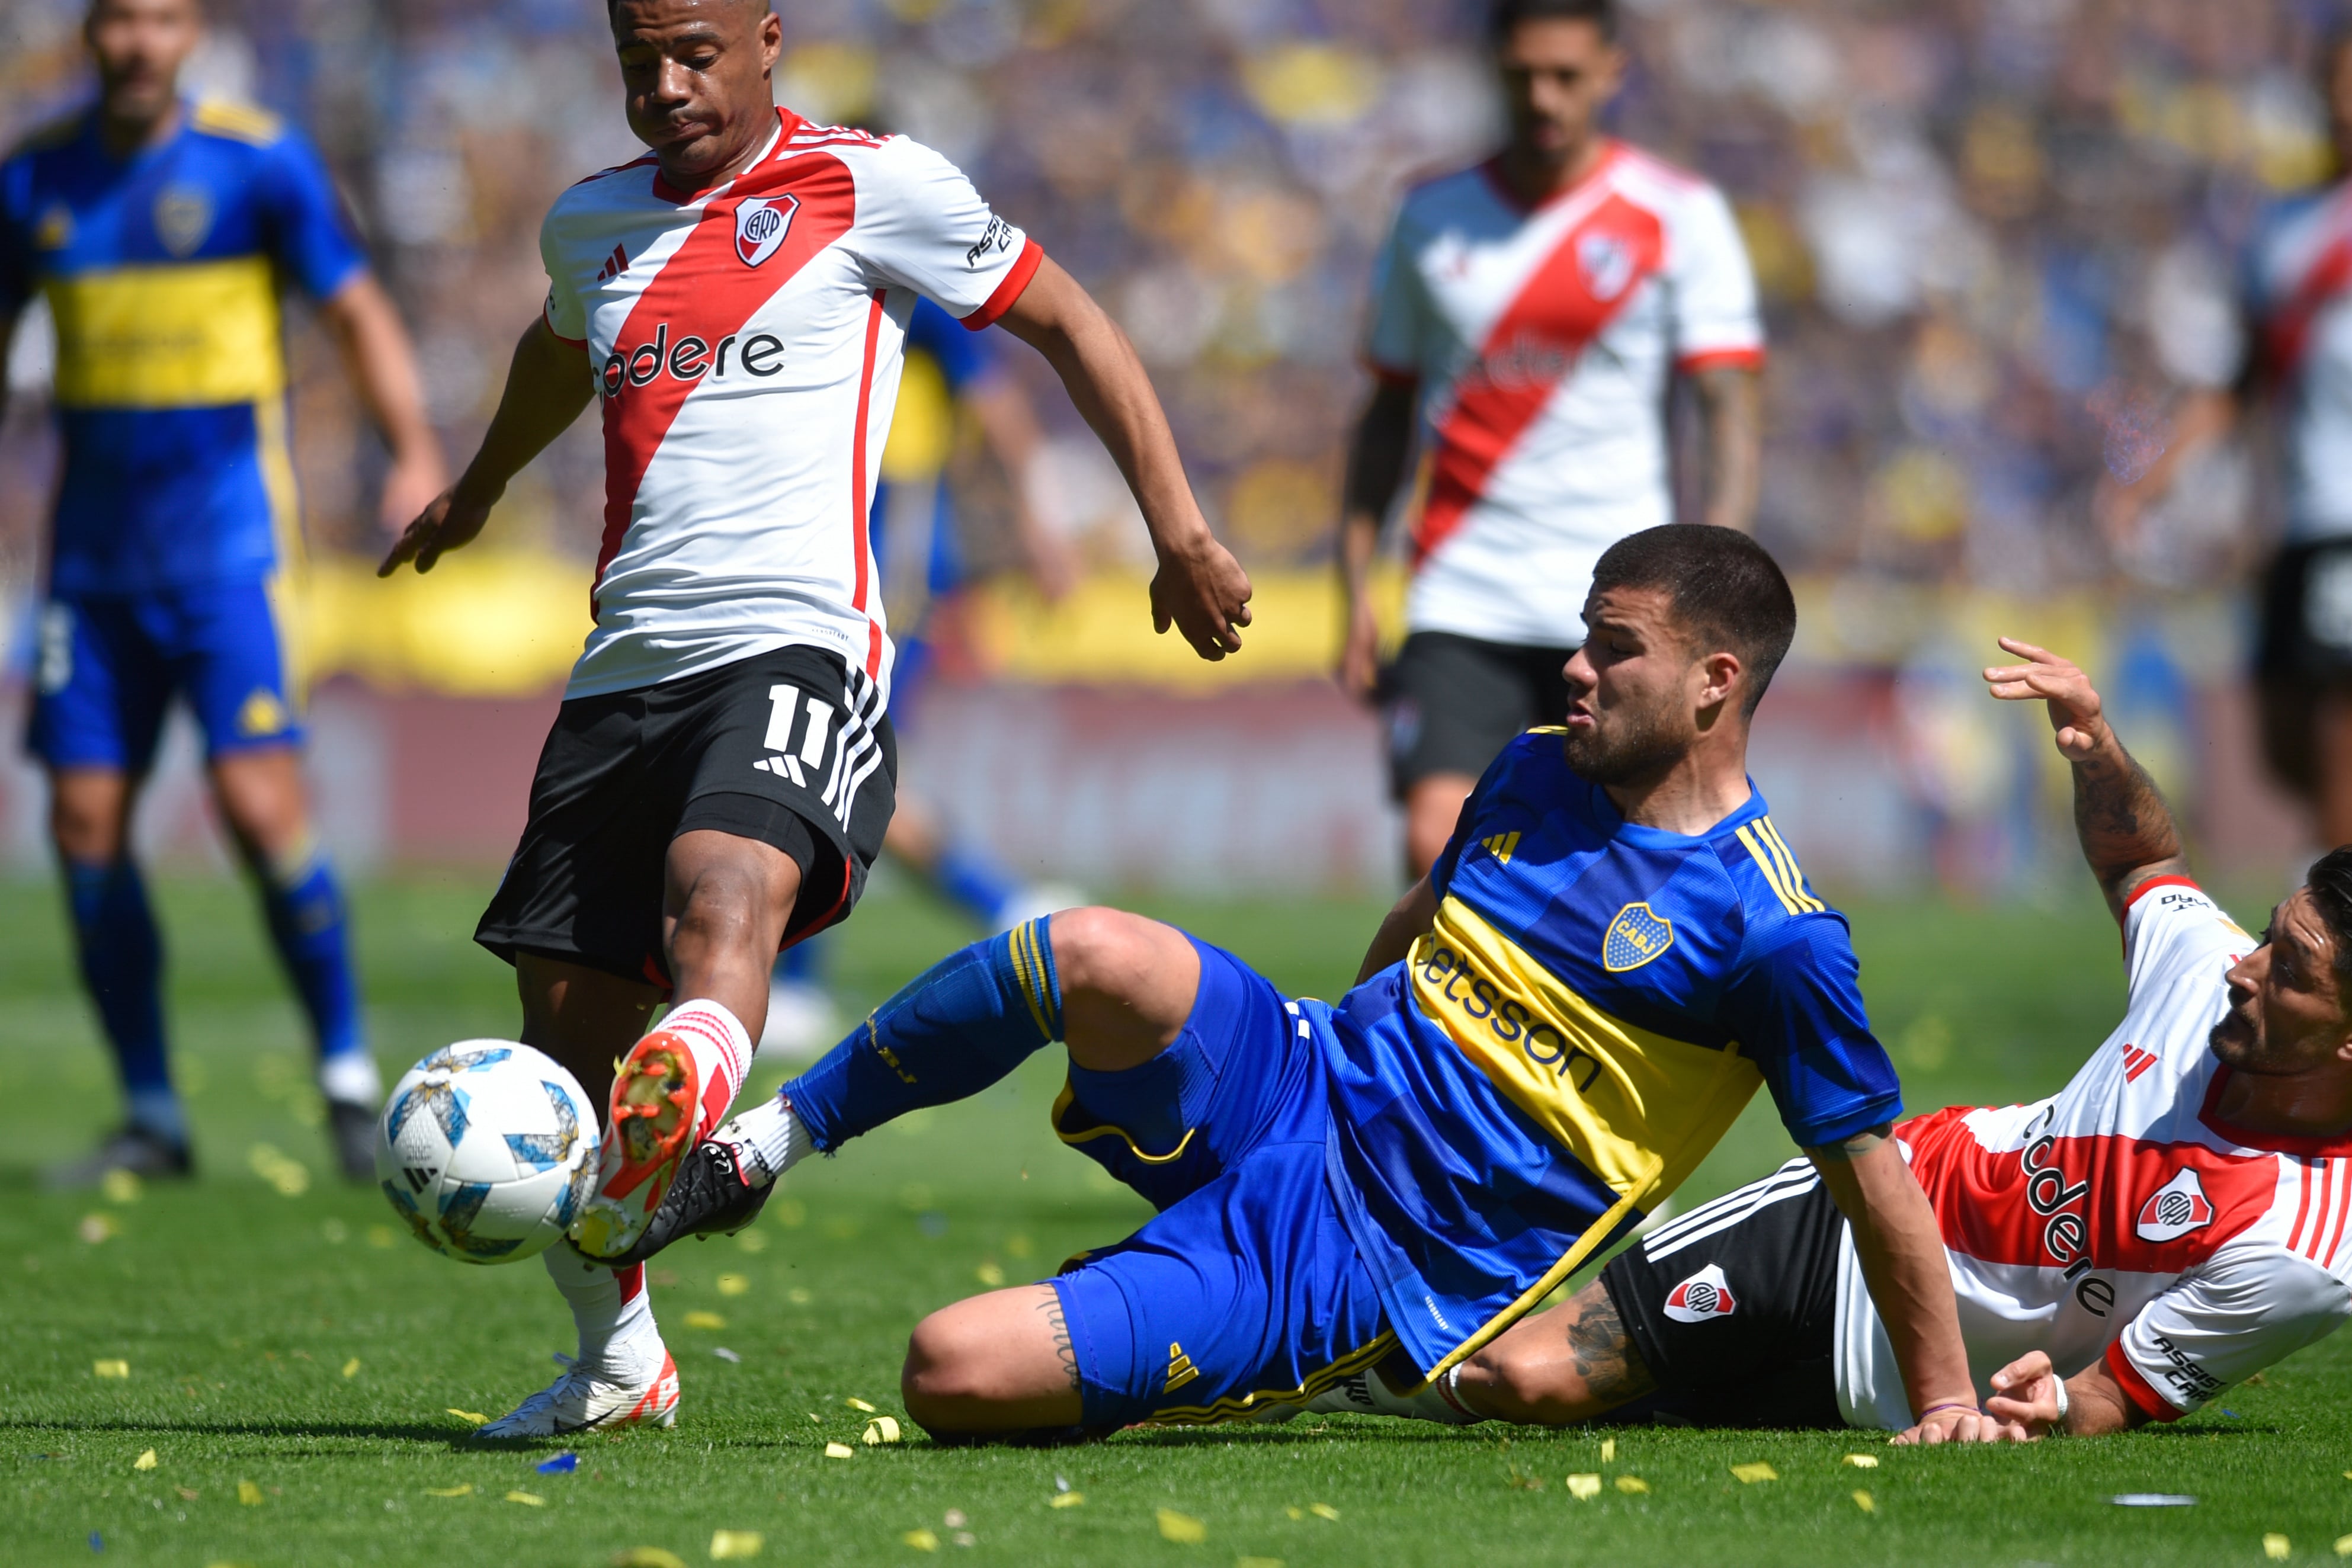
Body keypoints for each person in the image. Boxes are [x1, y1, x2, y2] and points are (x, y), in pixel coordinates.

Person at [621, 524, 1997, 1445]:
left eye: (1613, 646)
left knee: (950, 1369)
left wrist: (1942, 1400)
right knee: (1090, 946)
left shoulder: (1775, 933)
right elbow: (1411, 923)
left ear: (1712, 683)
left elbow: (1870, 1175)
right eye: (1582, 634)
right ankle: (768, 1140)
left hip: (1372, 1256)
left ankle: (1252, 1344)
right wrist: (1317, 1045)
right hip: (1308, 1076)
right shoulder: (1530, 767)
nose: (1575, 665)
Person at [374, 0, 1251, 1436]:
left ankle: (698, 1077)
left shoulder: (870, 184)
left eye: (693, 54)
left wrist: (1176, 528)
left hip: (800, 642)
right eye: (636, 63)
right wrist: (473, 495)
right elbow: (553, 352)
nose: (664, 87)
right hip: (620, 670)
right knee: (561, 1040)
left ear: (766, 37)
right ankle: (618, 1363)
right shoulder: (588, 225)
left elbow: (1065, 318)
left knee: (721, 893)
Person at [1390, 639, 2352, 1441]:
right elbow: (2145, 859)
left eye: (2291, 970)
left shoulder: (2302, 1254)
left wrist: (2044, 1407)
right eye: (2268, 933)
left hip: (1877, 1394)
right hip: (1847, 1227)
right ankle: (1327, 1343)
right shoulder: (2204, 977)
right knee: (1523, 1380)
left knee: (1619, 1414)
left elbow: (2111, 1397)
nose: (2245, 965)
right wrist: (2094, 747)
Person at [0, 0, 445, 1186]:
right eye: (117, 21)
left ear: (190, 31)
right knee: (84, 825)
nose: (139, 42)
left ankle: (347, 1081)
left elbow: (353, 306)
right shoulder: (36, 176)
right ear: (87, 35)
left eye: (159, 19)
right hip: (88, 568)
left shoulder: (255, 161)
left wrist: (410, 450)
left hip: (228, 555)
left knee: (259, 809)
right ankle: (152, 1114)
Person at [1336, 0, 1764, 881]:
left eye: (1565, 76)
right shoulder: (1430, 216)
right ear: (1492, 71)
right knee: (1435, 845)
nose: (1543, 97)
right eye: (1522, 75)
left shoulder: (1676, 215)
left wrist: (1719, 583)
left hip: (1623, 598)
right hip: (1466, 589)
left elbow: (1728, 406)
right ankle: (1437, 1025)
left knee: (1630, 862)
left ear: (1610, 71)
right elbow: (1385, 412)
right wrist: (1353, 579)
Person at [762, 293, 1079, 1057]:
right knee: (833, 765)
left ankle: (800, 984)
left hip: (887, 547)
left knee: (831, 759)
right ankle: (1012, 907)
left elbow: (996, 400)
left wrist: (1040, 522)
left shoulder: (899, 264)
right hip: (816, 535)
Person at [2100, 32, 2352, 848]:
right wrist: (2150, 479)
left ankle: (2333, 934)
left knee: (2337, 730)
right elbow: (2235, 385)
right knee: (2284, 744)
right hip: (2298, 520)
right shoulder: (2291, 235)